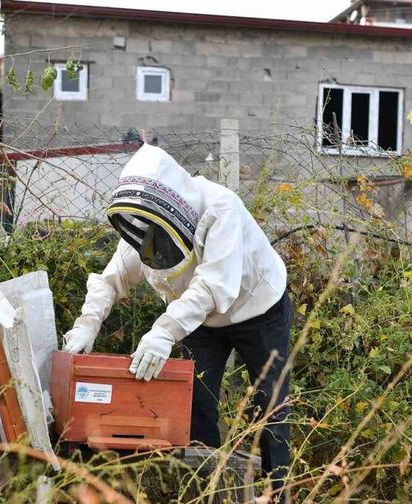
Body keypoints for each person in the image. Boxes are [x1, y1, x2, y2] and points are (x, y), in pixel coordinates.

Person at [62, 144, 292, 495]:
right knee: (197, 403)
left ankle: (278, 495)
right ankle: (211, 493)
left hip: (258, 309)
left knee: (270, 405)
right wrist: (86, 325)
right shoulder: (147, 226)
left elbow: (213, 286)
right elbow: (111, 281)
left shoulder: (221, 208)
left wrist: (163, 333)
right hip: (199, 320)